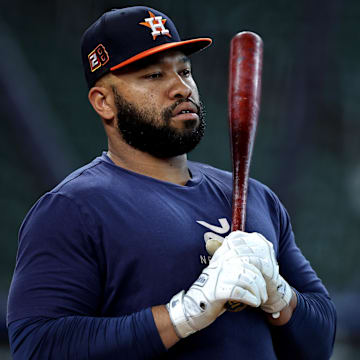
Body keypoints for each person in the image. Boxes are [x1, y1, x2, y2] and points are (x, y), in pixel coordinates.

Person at [7, 6, 336, 359]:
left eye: (185, 71)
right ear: (104, 102)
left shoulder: (256, 198)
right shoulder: (73, 209)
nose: (181, 88)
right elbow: (38, 347)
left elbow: (319, 342)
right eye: (153, 76)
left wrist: (279, 295)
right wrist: (186, 312)